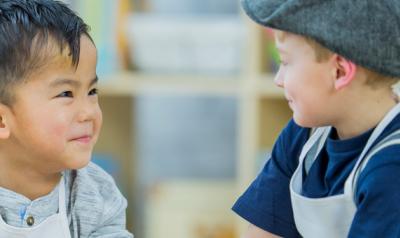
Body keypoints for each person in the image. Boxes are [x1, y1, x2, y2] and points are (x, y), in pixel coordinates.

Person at [232, 0, 400, 237]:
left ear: (339, 71)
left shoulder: (391, 168)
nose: (278, 79)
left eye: (286, 62)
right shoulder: (305, 133)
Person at [0, 0, 133, 237]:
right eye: (66, 94)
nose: (89, 112)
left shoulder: (98, 195)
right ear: (2, 120)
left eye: (92, 92)